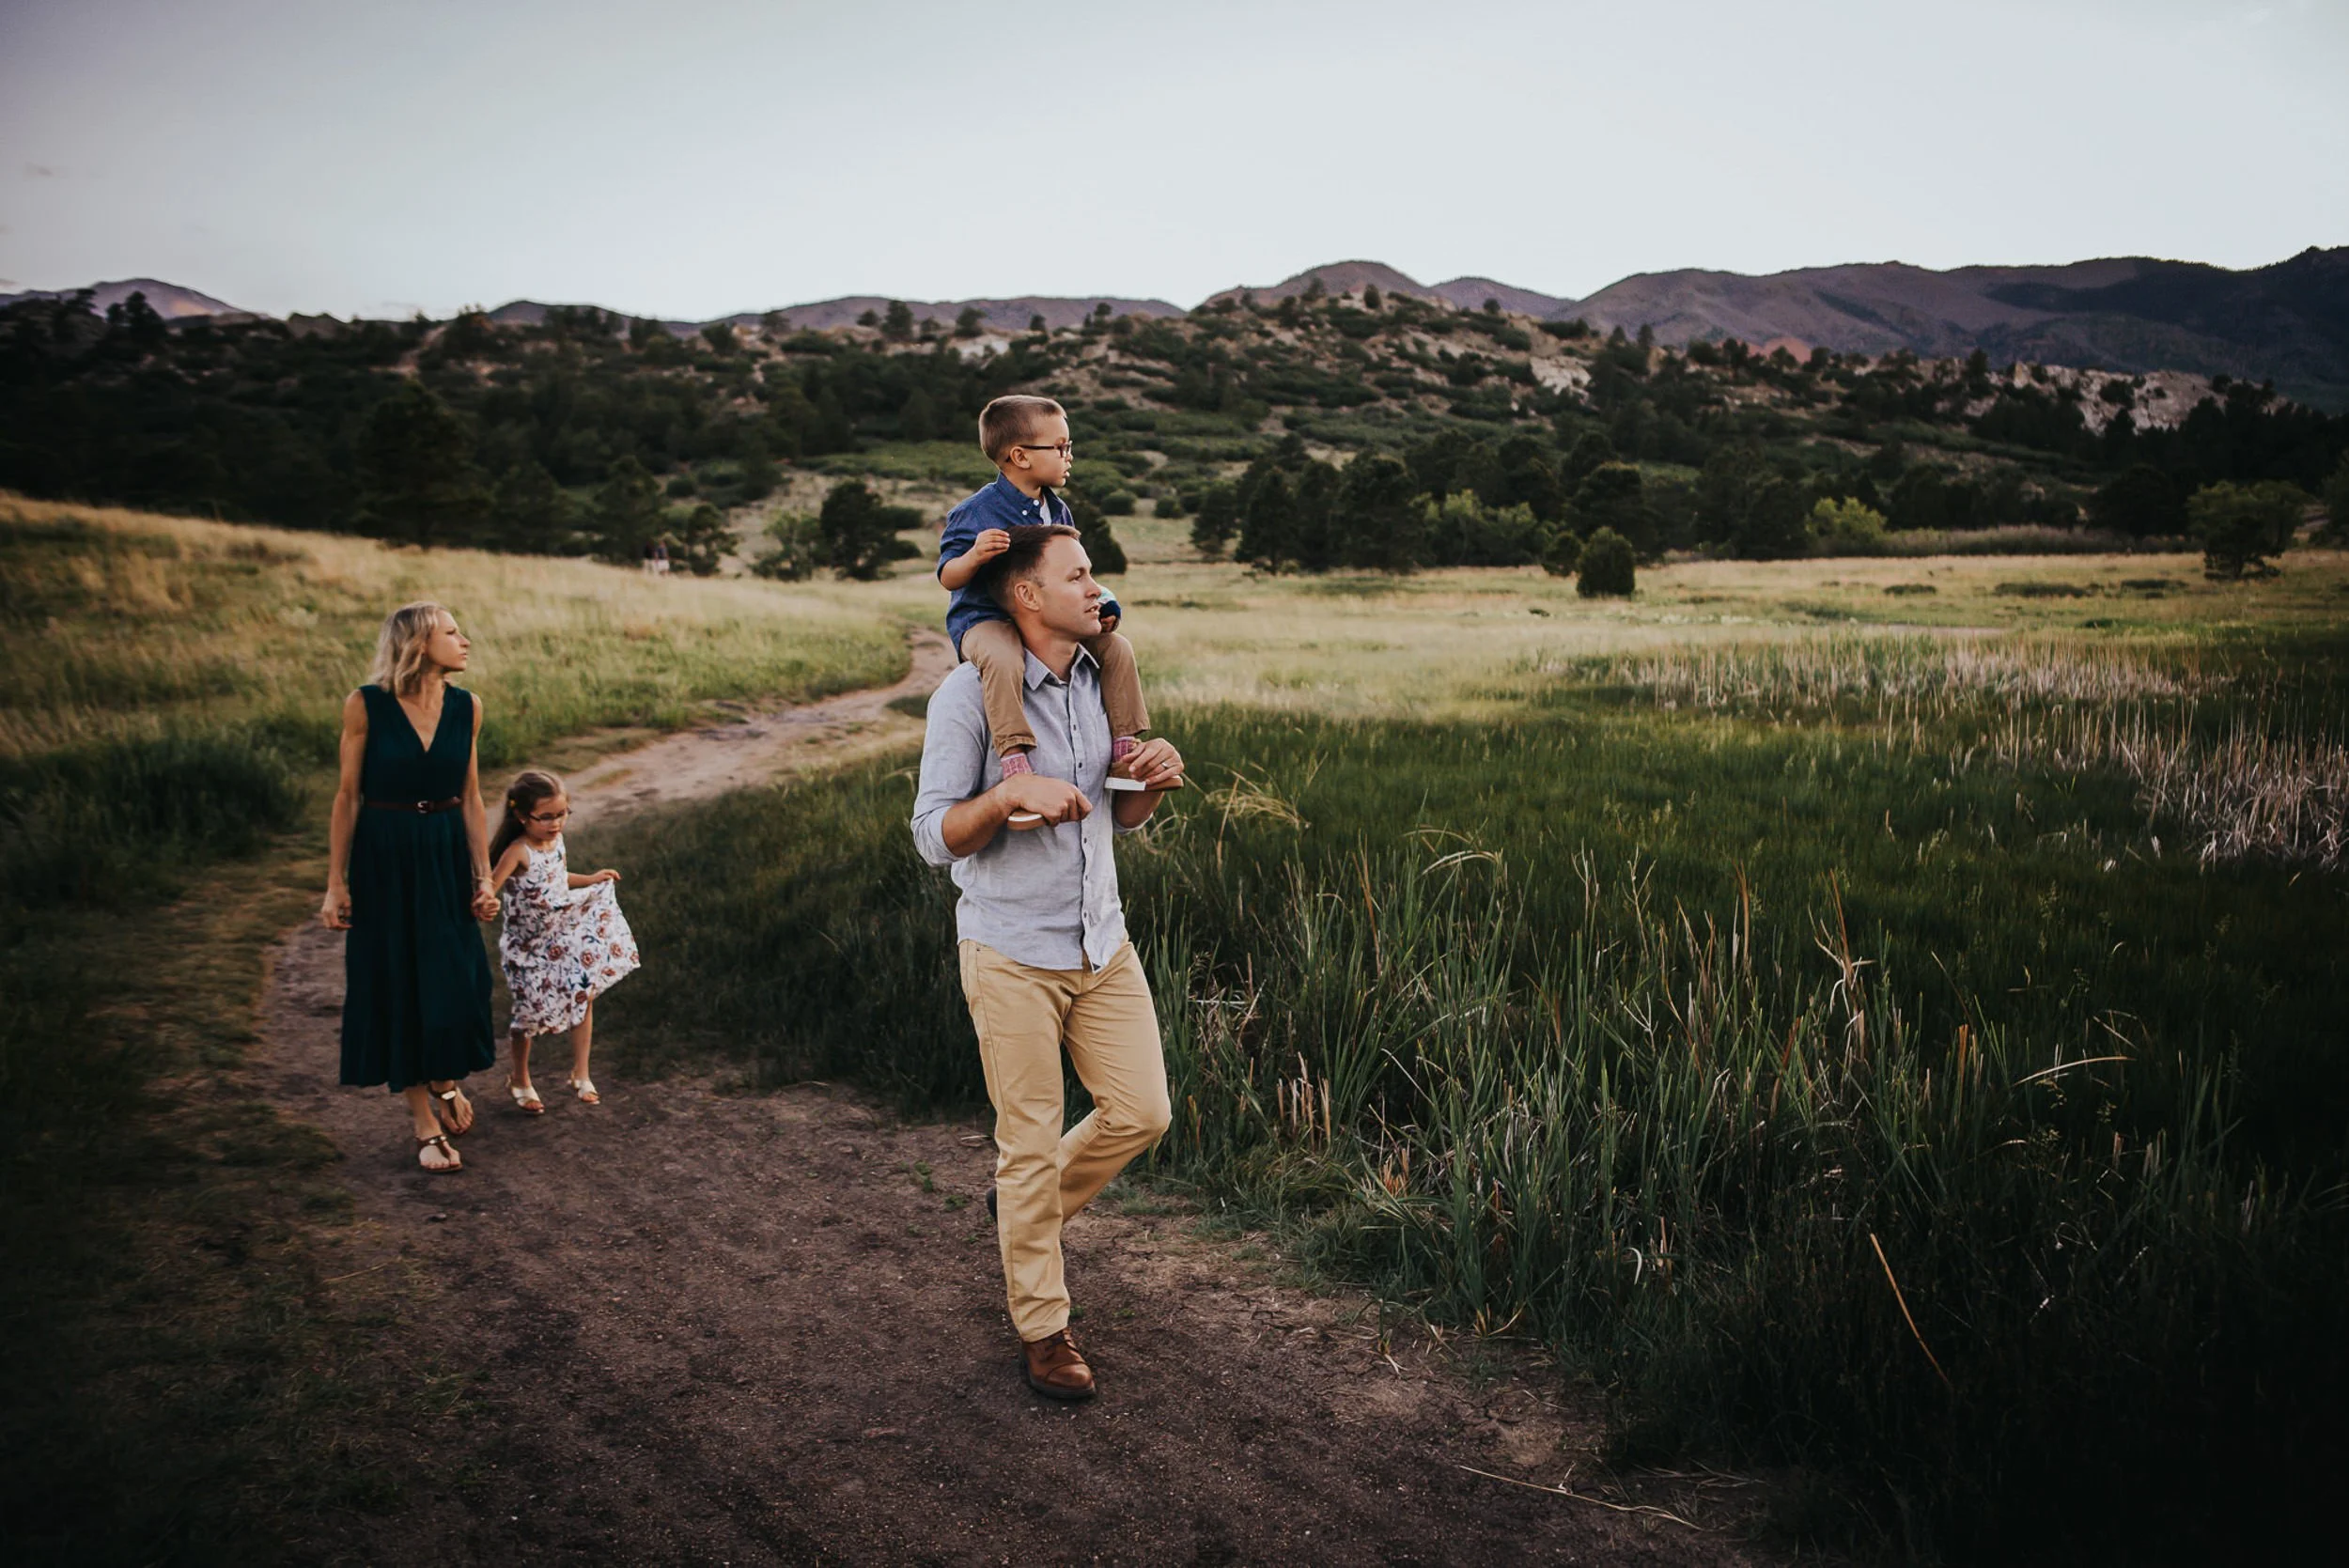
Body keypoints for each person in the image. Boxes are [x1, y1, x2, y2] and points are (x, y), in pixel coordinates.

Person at [910, 523, 1187, 1401]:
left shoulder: (1101, 677)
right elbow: (931, 837)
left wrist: (1152, 781)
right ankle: (1044, 1326)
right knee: (1025, 1143)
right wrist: (1005, 793)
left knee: (1142, 1110)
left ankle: (1021, 1214)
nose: (1095, 587)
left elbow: (1120, 818)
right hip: (1011, 951)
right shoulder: (966, 697)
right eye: (1079, 574)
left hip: (1102, 941)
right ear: (1027, 595)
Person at [321, 602, 500, 1172]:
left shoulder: (467, 707)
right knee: (399, 979)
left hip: (446, 850)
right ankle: (423, 1119)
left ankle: (445, 1079)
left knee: (457, 977)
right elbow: (348, 797)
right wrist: (335, 884)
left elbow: (472, 797)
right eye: (452, 632)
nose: (465, 640)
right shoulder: (366, 705)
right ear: (419, 644)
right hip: (386, 855)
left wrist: (483, 876)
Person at [936, 396, 1152, 825]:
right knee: (1002, 657)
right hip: (987, 619)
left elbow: (1072, 571)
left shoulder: (1057, 509)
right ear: (1019, 457)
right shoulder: (975, 512)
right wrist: (976, 556)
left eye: (1068, 446)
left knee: (1117, 649)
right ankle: (1015, 762)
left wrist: (1103, 603)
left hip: (1044, 618)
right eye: (1060, 447)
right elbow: (948, 576)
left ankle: (1123, 750)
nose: (1069, 456)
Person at [487, 768, 639, 1112]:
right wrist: (487, 901)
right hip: (526, 948)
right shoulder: (517, 851)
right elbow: (491, 888)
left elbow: (559, 877)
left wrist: (591, 879)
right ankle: (520, 1078)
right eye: (546, 817)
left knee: (582, 994)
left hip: (561, 935)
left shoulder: (556, 843)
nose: (555, 824)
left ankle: (581, 1073)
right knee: (528, 1015)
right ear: (522, 816)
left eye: (562, 815)